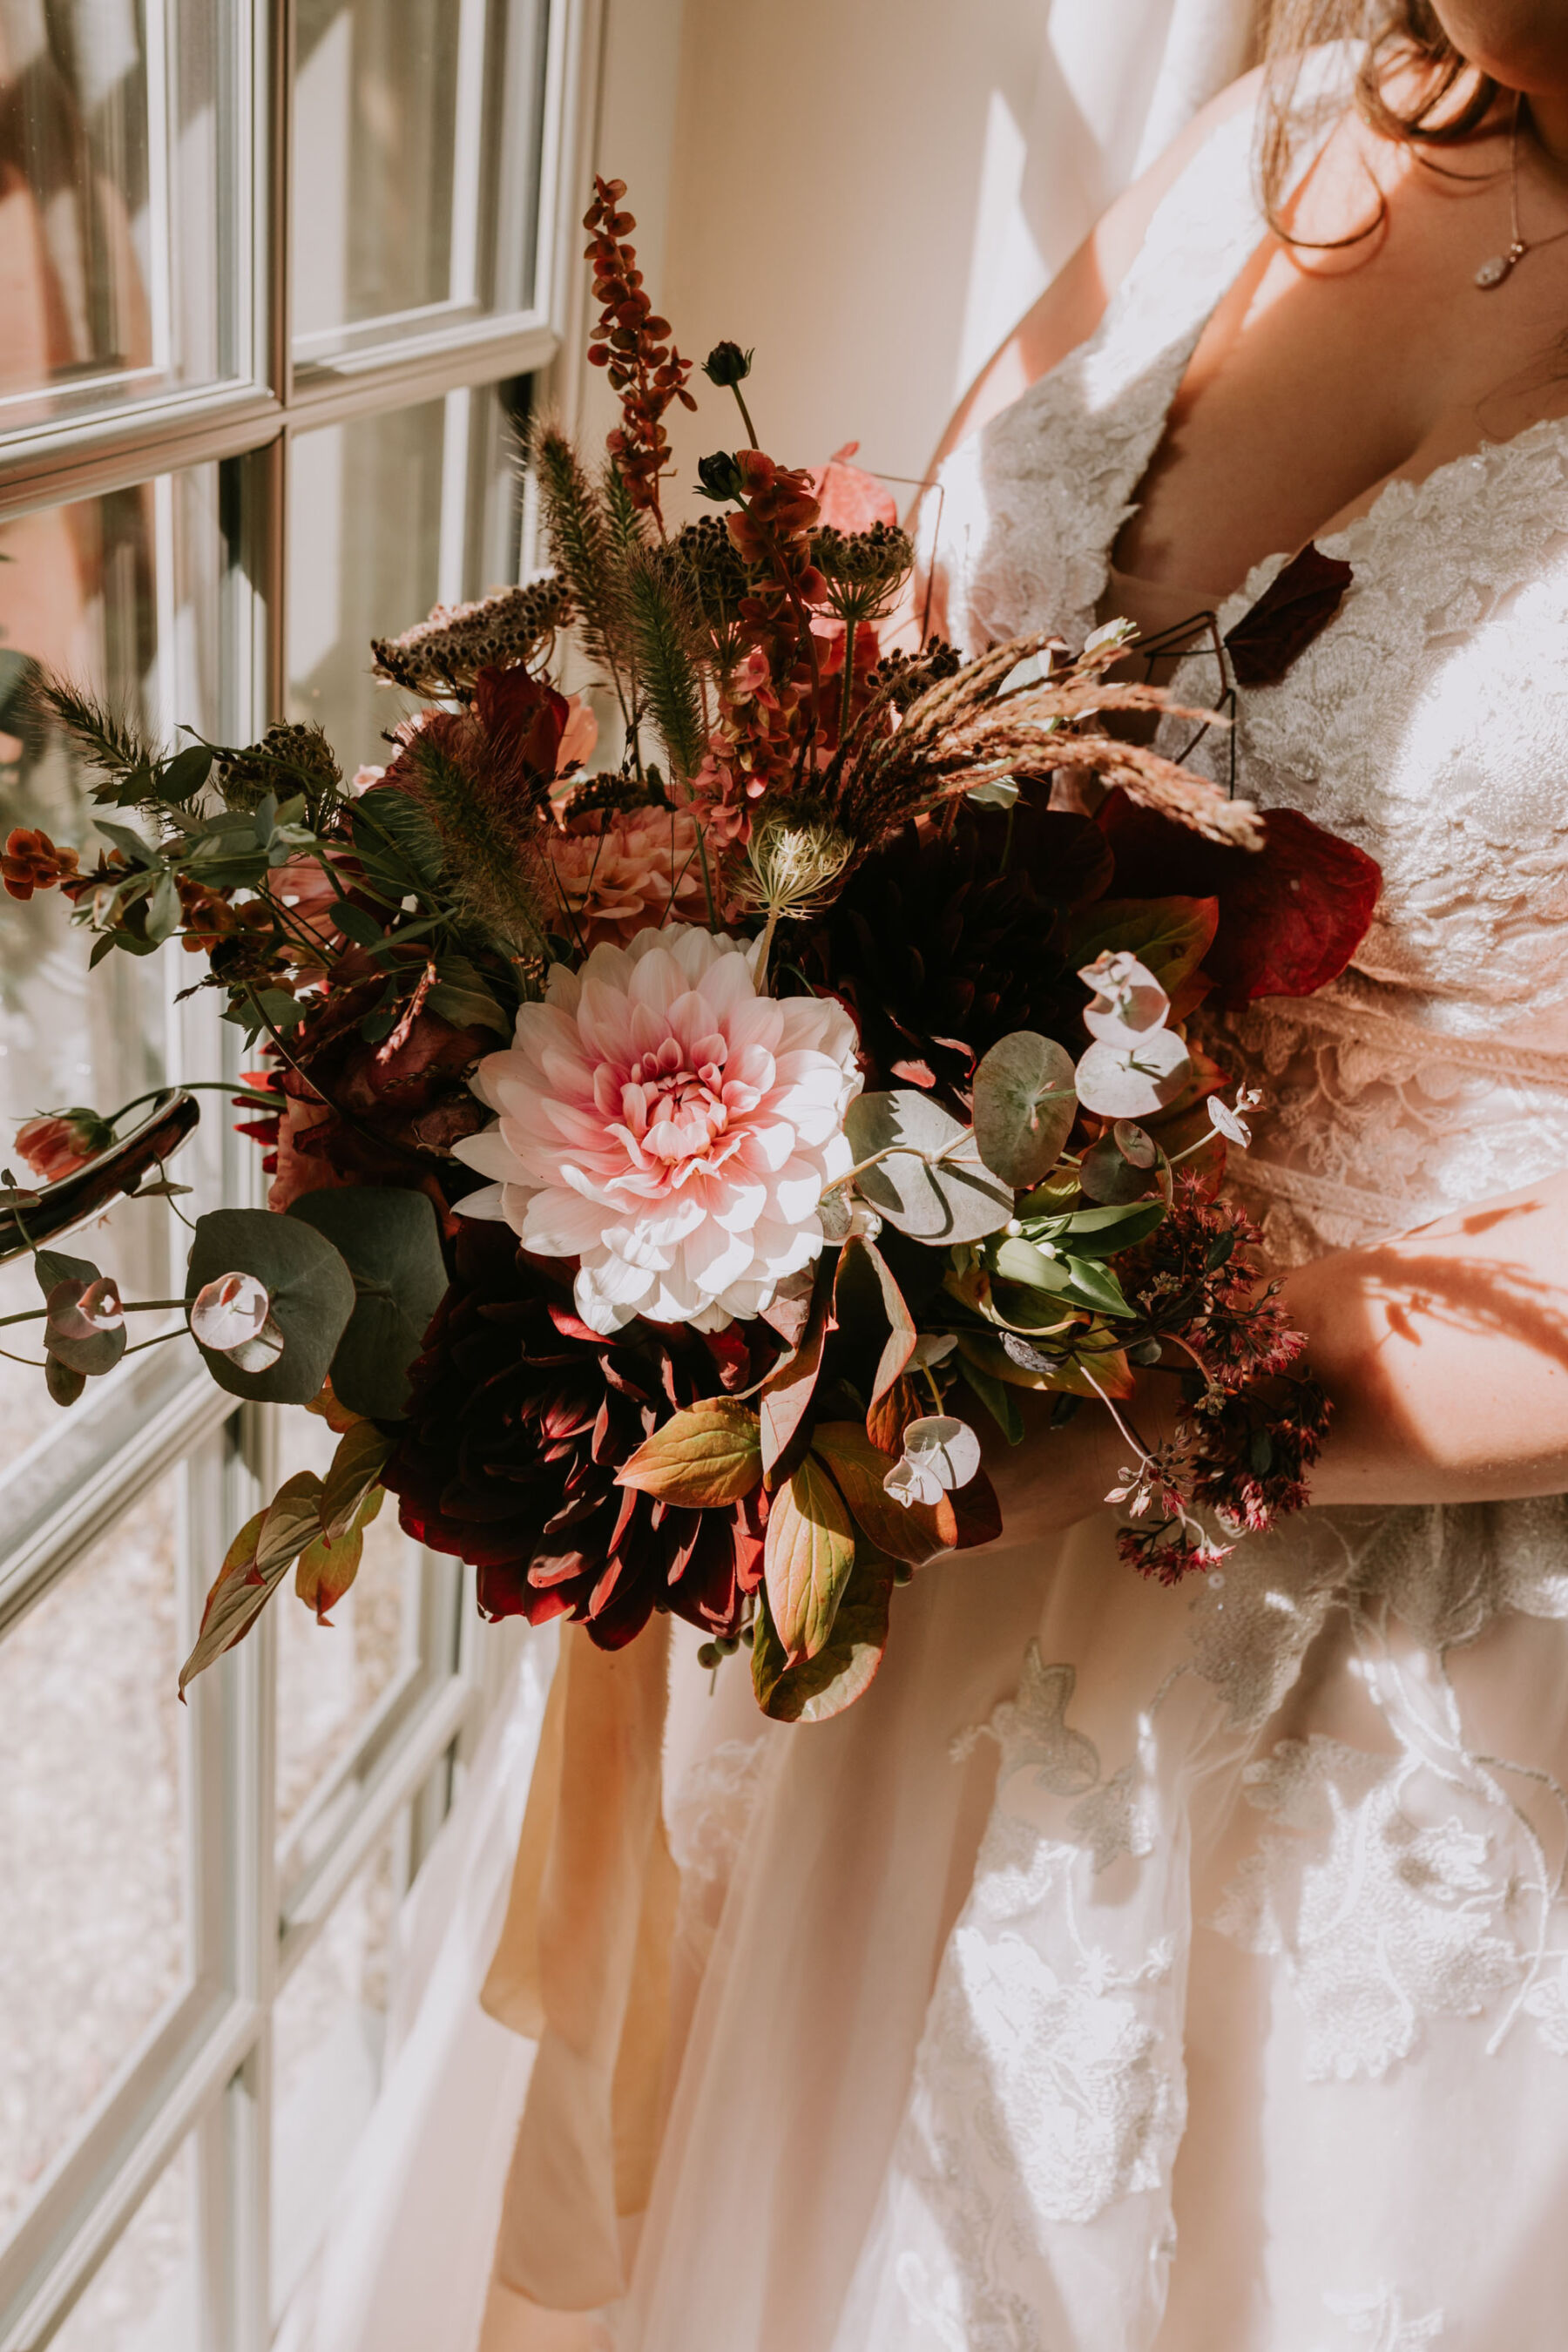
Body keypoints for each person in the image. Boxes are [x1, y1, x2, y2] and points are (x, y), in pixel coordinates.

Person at [287, 7, 1568, 2347]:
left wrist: (1120, 1414)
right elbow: (929, 667)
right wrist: (606, 1013)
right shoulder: (1318, 125)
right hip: (935, 1463)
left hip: (1386, 1630)